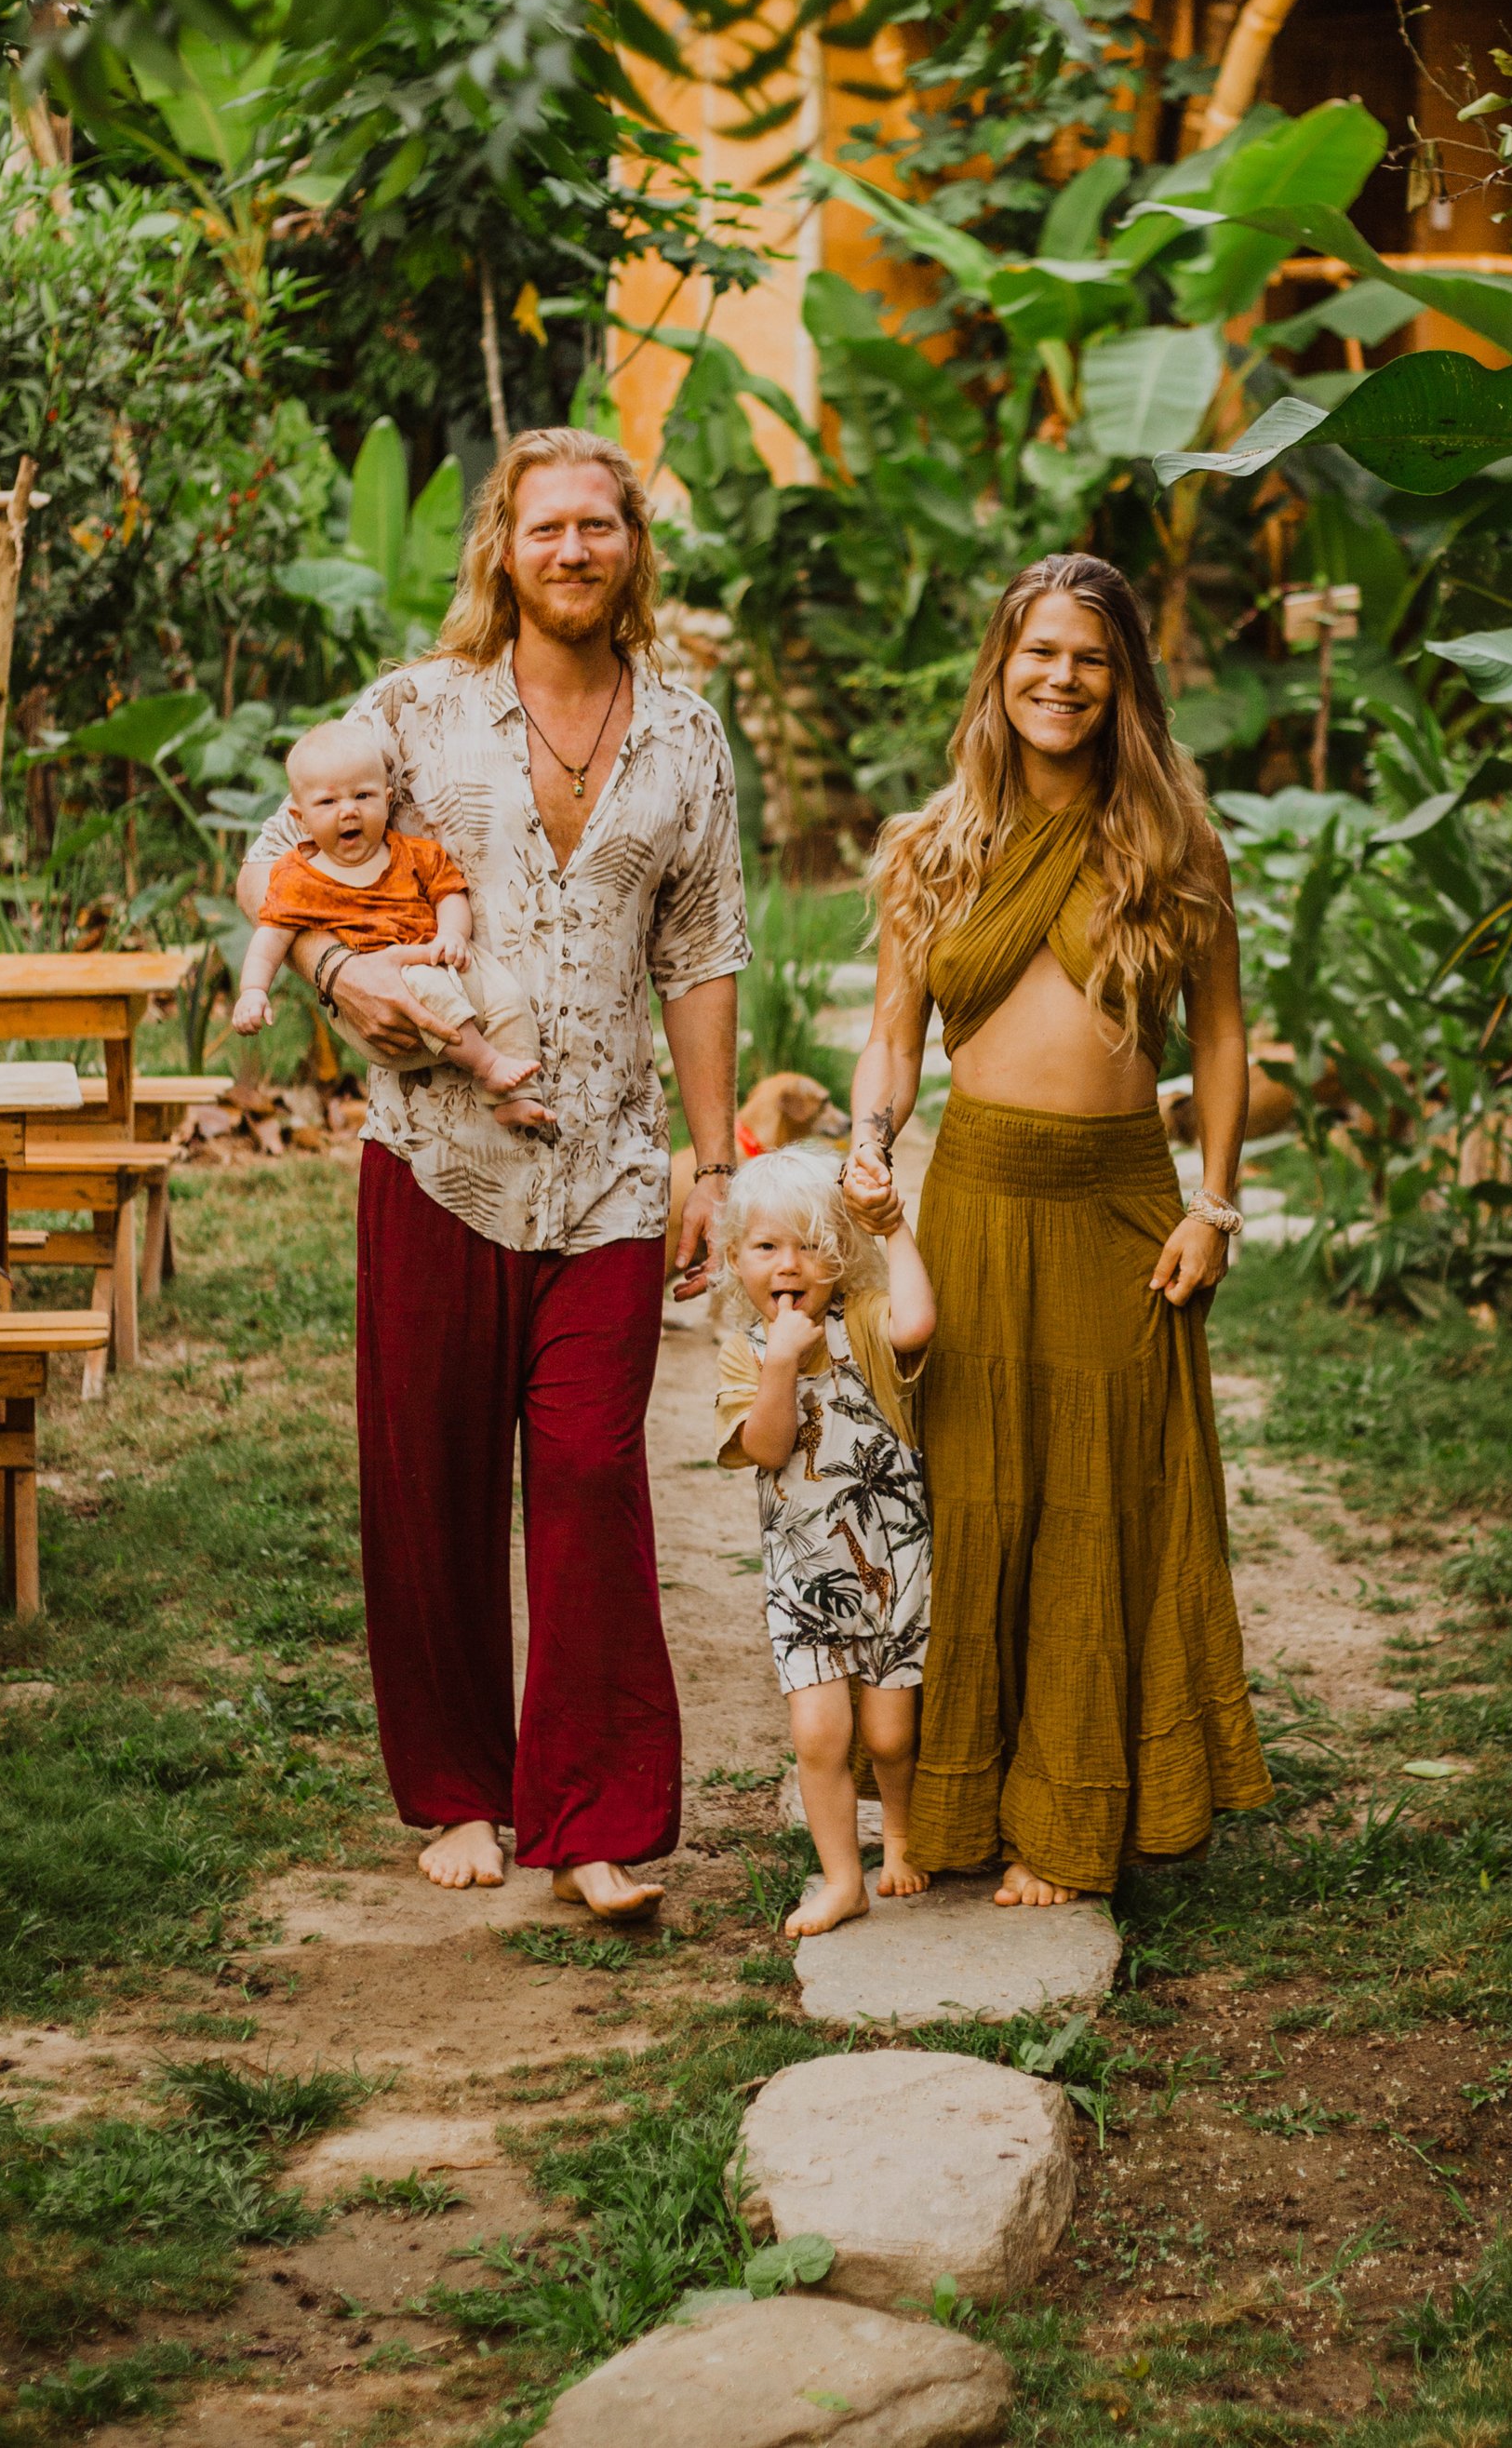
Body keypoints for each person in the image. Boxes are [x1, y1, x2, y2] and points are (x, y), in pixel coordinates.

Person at [235, 426, 749, 1921]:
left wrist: (712, 1161)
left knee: (592, 1476)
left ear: (631, 548)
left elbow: (704, 953)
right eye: (547, 530)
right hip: (434, 1155)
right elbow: (278, 855)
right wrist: (333, 972)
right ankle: (460, 1789)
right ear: (503, 552)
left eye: (600, 527)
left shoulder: (687, 738)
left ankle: (591, 1815)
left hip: (605, 1174)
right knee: (433, 1480)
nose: (575, 552)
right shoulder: (416, 712)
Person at [849, 550, 1270, 1907]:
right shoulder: (934, 844)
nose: (1062, 678)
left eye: (1091, 657)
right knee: (974, 1502)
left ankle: (1075, 1813)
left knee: (1103, 1502)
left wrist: (1215, 1206)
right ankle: (961, 1804)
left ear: (1125, 681)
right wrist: (868, 1144)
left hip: (1119, 1203)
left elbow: (1218, 1035)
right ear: (1000, 669)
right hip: (974, 1191)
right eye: (1039, 652)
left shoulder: (1171, 841)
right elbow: (892, 1039)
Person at [712, 1144, 937, 1935]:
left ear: (841, 1259)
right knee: (819, 1734)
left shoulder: (863, 1325)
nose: (790, 1263)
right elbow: (770, 1448)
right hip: (803, 1581)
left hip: (893, 1565)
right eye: (767, 1246)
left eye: (811, 1244)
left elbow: (917, 1321)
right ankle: (842, 1879)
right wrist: (780, 1367)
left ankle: (899, 1836)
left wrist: (895, 1228)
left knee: (889, 1734)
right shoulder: (745, 1352)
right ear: (735, 1260)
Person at [232, 717, 549, 1128]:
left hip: (442, 958)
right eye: (328, 803)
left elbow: (449, 893)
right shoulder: (300, 877)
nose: (348, 810)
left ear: (388, 799)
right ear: (300, 818)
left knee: (507, 997)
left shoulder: (415, 855)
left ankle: (513, 1097)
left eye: (363, 796)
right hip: (385, 1000)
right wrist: (253, 991)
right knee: (425, 986)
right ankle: (487, 1065)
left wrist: (453, 934)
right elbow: (270, 936)